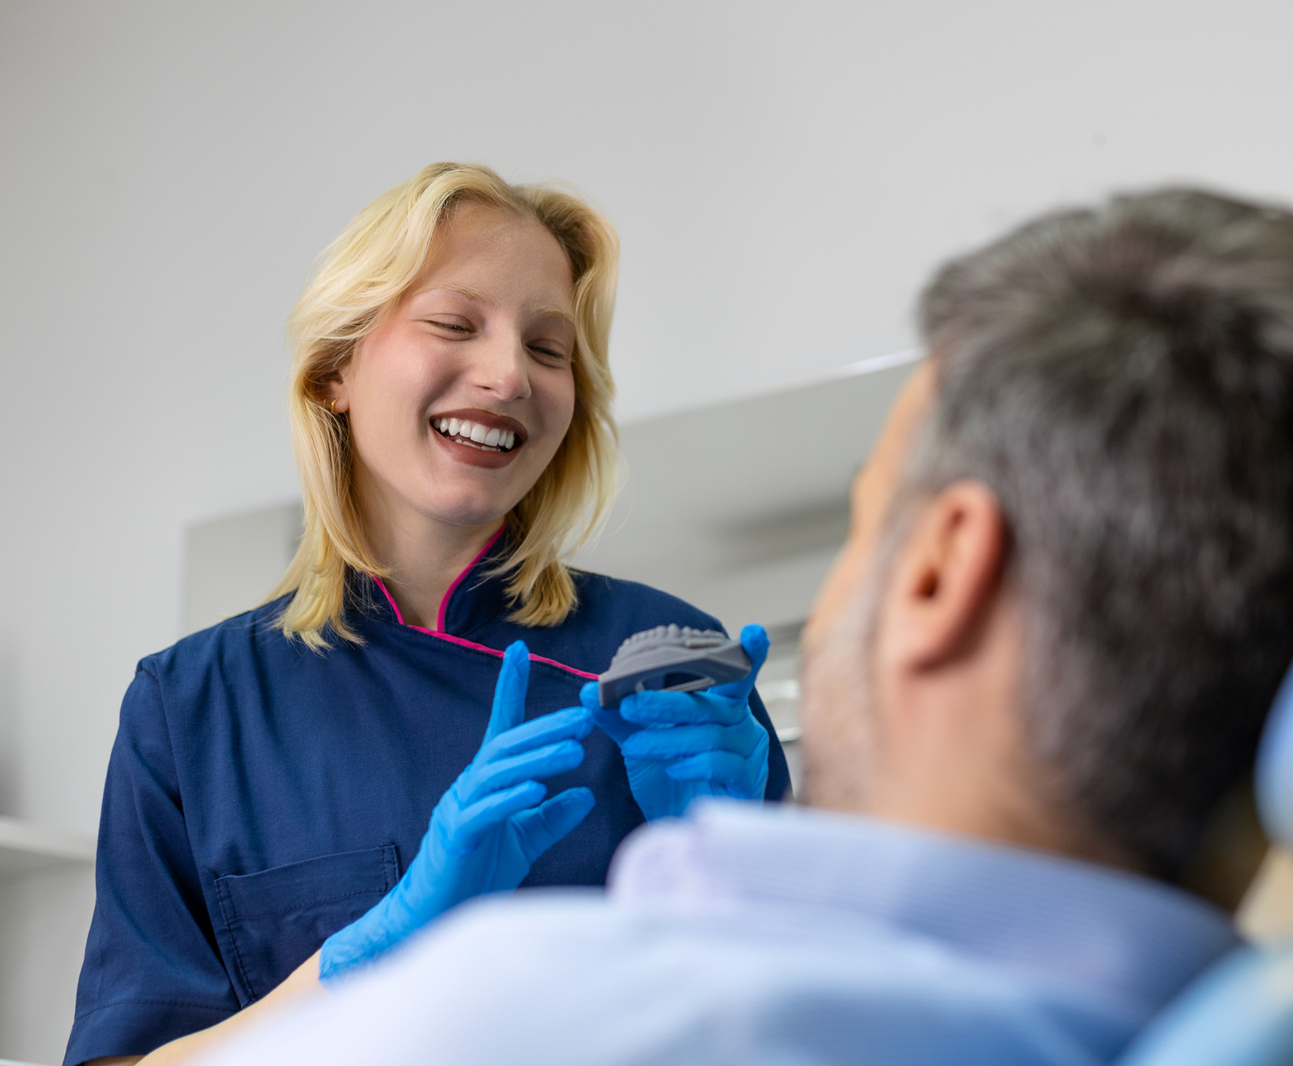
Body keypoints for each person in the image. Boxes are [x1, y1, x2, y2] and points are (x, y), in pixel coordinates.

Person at [192, 188, 1293, 1065]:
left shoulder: (516, 1014)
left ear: (937, 577)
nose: (508, 372)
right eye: (454, 325)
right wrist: (385, 932)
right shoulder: (1263, 1024)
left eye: (869, 523)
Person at [65, 164, 793, 1066]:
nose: (507, 375)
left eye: (549, 348)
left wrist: (732, 872)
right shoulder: (194, 708)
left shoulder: (670, 682)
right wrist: (365, 954)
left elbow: (802, 1032)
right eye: (455, 324)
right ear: (337, 367)